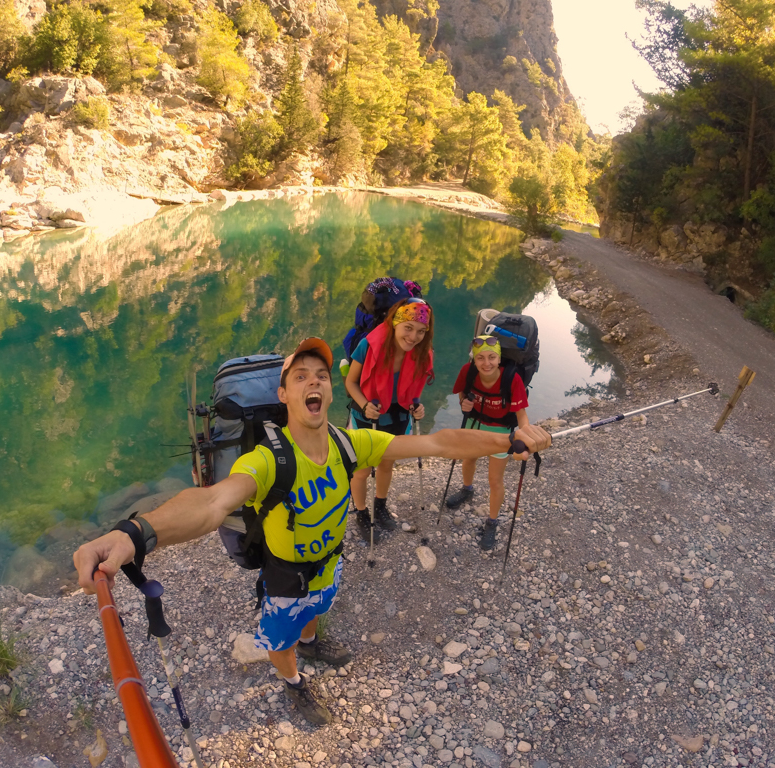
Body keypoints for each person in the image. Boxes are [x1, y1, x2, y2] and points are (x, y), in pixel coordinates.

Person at [73, 337, 550, 727]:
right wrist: (137, 533)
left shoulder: (351, 443)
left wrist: (506, 439)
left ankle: (311, 639)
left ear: (330, 391)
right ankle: (294, 681)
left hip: (328, 565)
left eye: (320, 375)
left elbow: (438, 440)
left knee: (318, 605)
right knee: (279, 637)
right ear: (284, 396)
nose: (313, 381)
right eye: (299, 376)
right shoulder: (267, 460)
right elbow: (212, 501)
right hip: (283, 578)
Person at [344, 298, 433, 542]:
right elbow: (350, 382)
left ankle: (380, 505)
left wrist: (417, 408)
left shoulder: (420, 354)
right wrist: (364, 405)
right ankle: (361, 513)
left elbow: (413, 391)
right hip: (367, 417)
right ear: (394, 324)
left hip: (397, 418)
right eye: (408, 328)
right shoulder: (368, 346)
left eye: (421, 331)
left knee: (386, 465)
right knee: (362, 471)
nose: (414, 337)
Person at [445, 335, 530, 551]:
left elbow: (521, 415)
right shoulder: (468, 371)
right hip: (474, 422)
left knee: (495, 480)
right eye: (480, 358)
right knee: (468, 459)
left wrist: (526, 436)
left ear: (499, 358)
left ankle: (492, 522)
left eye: (492, 357)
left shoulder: (512, 378)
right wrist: (463, 402)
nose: (486, 363)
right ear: (474, 360)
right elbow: (462, 392)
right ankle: (467, 489)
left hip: (500, 430)